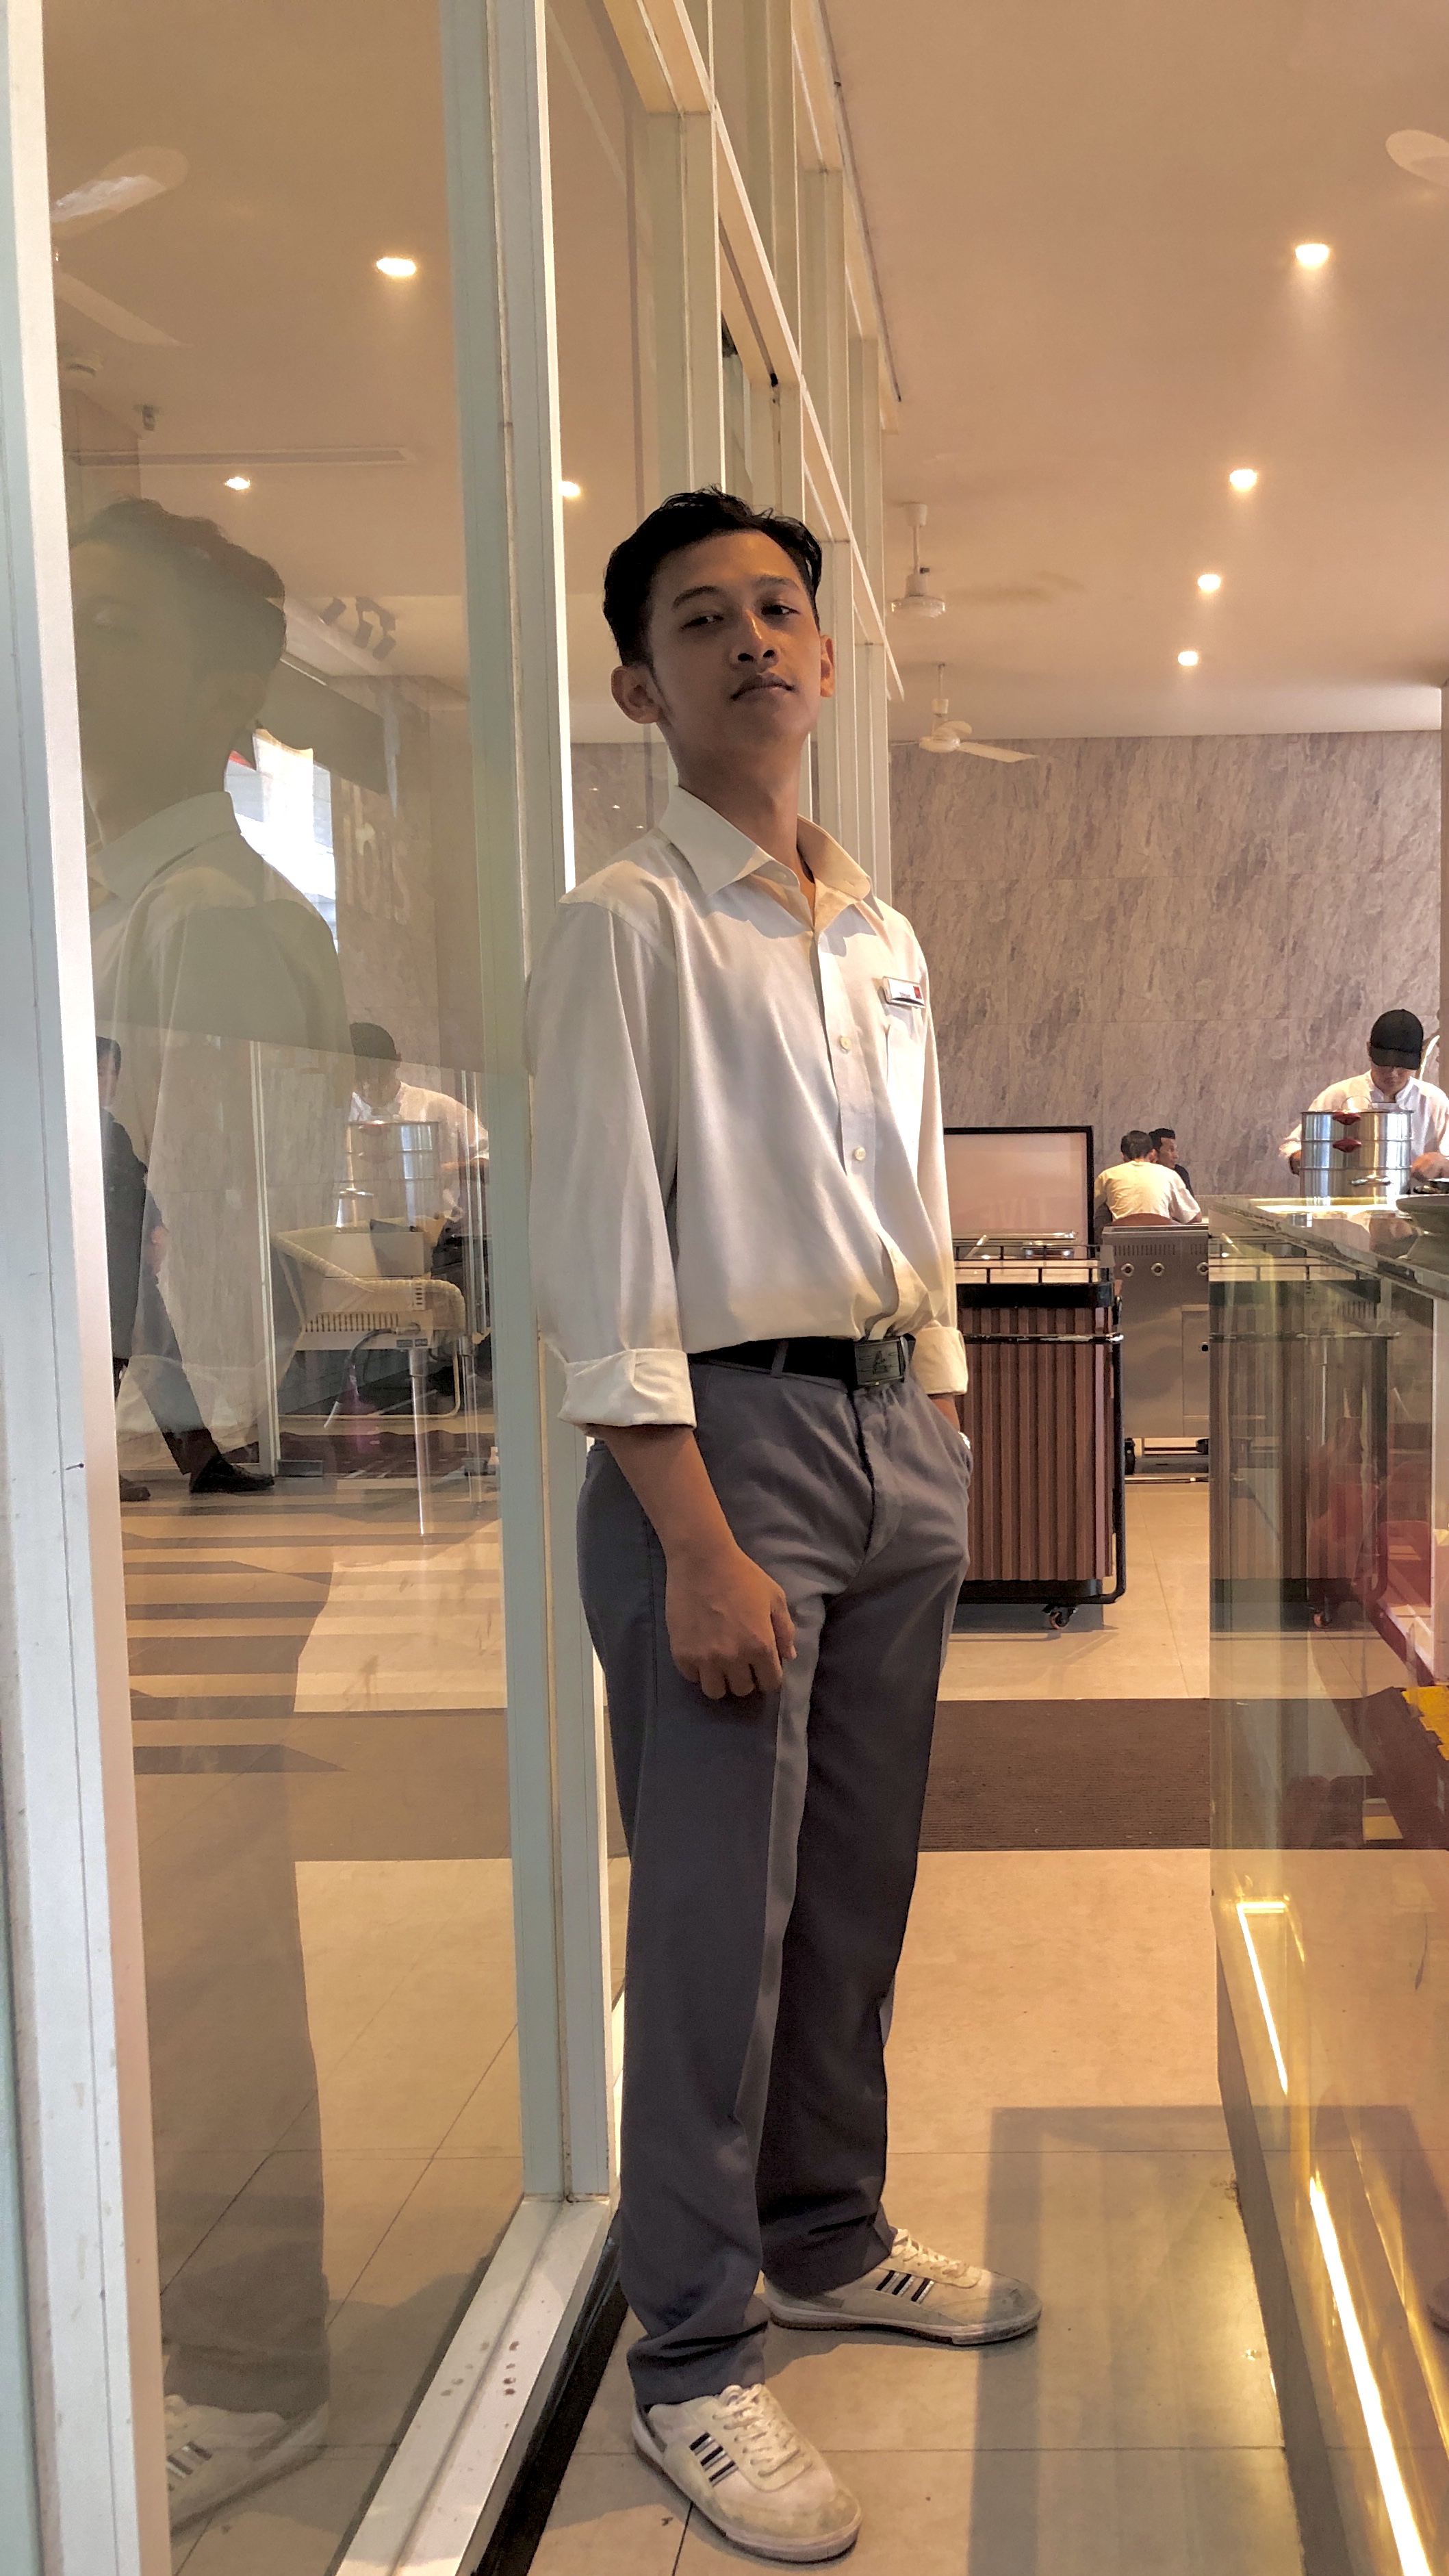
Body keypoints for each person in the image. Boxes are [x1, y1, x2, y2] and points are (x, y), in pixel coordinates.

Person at [527, 487, 1040, 2567]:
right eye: (699, 619)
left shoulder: (879, 934)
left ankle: (825, 2232)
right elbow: (598, 1251)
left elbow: (909, 1195)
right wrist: (694, 1536)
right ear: (639, 686)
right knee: (711, 1923)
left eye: (776, 609)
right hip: (716, 1451)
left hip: (886, 1435)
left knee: (850, 1888)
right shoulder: (629, 922)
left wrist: (942, 1412)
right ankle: (691, 2348)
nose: (751, 638)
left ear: (826, 659)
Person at [73, 498, 344, 2526]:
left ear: (222, 687)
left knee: (204, 1936)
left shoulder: (209, 920)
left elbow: (242, 1260)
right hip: (109, 1486)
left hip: (179, 1498)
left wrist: (190, 1517)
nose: (74, 663)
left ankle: (252, 2359)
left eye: (113, 630)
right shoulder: (96, 895)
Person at [348, 1019, 488, 1225]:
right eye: (360, 1077)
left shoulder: (439, 1107)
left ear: (397, 1062)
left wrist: (446, 1169)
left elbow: (493, 1160)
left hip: (433, 1230)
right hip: (356, 1228)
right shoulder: (336, 1114)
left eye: (379, 1074)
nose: (369, 1085)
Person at [1282, 1010, 1449, 1177]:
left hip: (1415, 1193)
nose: (1393, 1073)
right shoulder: (1340, 1095)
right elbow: (1290, 1146)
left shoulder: (1433, 1100)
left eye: (1402, 1066)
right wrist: (1307, 1158)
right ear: (1369, 1049)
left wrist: (1441, 1163)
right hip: (1349, 1191)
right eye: (1384, 1064)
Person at [1097, 1130, 1202, 1227]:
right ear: (1153, 1154)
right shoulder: (1169, 1174)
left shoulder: (1107, 1176)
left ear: (1123, 1156)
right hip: (1162, 1240)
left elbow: (1091, 1210)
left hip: (1120, 1240)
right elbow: (1195, 1217)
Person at [1150, 1125, 1192, 1197]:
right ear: (1154, 1153)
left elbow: (1189, 1202)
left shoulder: (1180, 1173)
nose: (1176, 1156)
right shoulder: (1143, 1174)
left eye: (1176, 1150)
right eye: (1171, 1150)